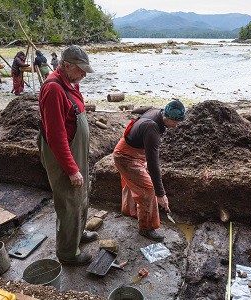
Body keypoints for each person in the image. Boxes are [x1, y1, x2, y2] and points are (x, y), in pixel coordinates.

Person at [37, 45, 96, 265]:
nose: (84, 74)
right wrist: (71, 169)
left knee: (81, 196)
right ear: (66, 65)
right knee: (69, 204)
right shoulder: (53, 89)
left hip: (76, 150)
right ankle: (68, 253)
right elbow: (56, 136)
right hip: (63, 154)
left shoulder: (70, 83)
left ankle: (78, 236)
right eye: (81, 70)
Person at [113, 100, 186, 242]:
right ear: (167, 117)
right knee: (148, 190)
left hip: (132, 152)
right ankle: (146, 228)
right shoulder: (152, 128)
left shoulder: (159, 112)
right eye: (176, 122)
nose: (177, 125)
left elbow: (143, 110)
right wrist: (161, 194)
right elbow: (153, 164)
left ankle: (129, 211)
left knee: (133, 182)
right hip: (126, 157)